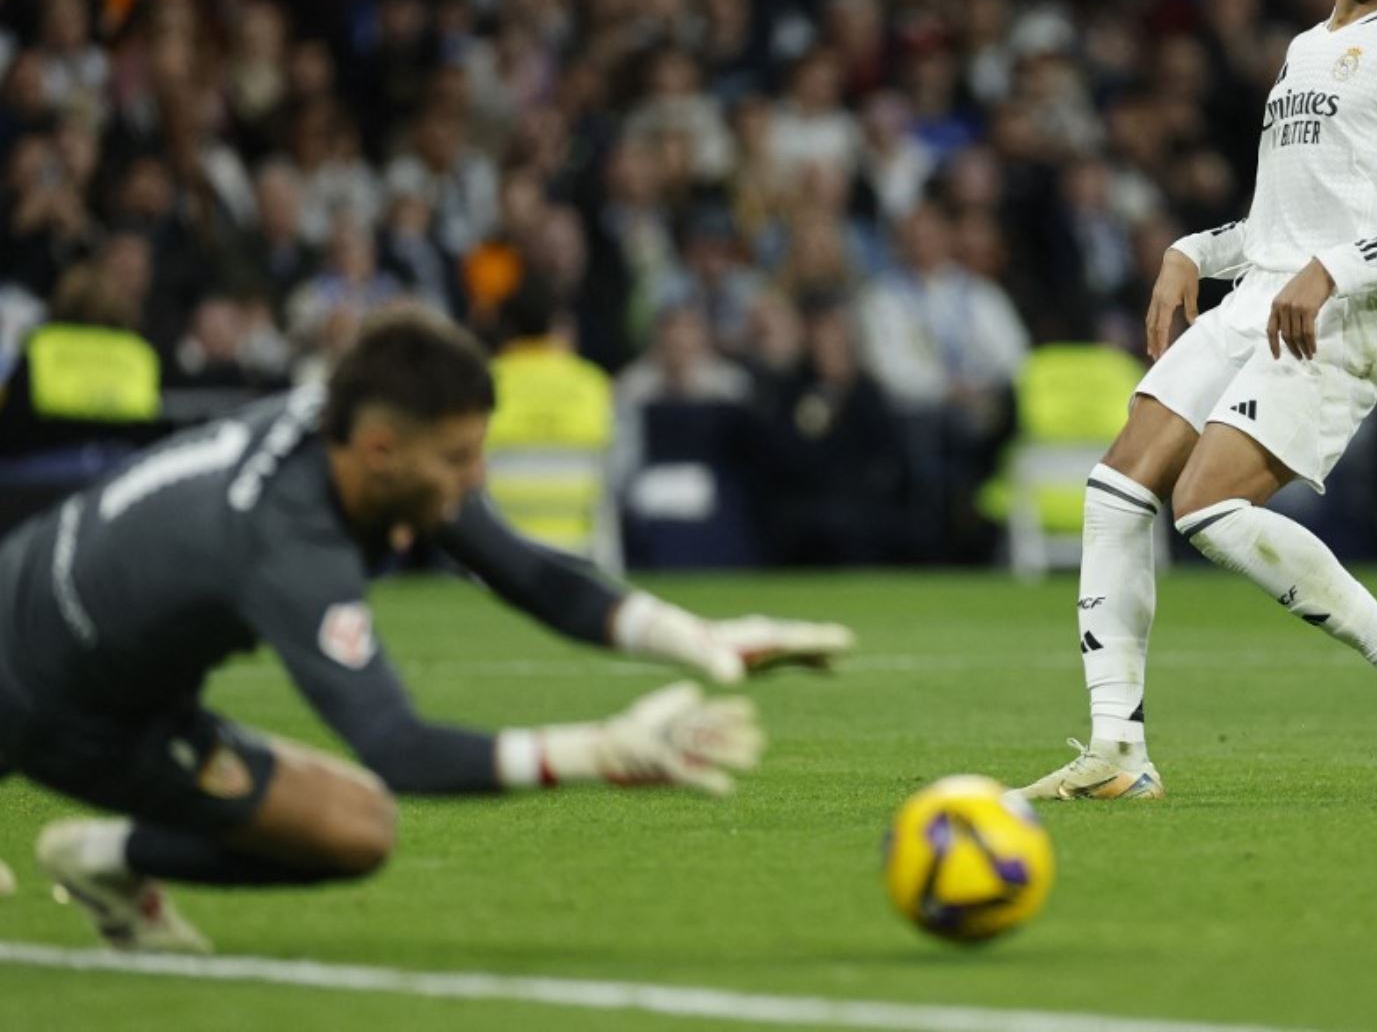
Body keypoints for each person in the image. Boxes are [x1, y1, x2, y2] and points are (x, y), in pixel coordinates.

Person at [0, 307, 852, 952]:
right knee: (357, 827)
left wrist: (694, 638)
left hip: (44, 608)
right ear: (380, 450)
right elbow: (395, 745)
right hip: (60, 705)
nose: (473, 479)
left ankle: (106, 858)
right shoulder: (286, 539)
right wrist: (599, 750)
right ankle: (105, 850)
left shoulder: (340, 428)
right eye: (458, 460)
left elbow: (526, 570)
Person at [1011, 0, 1377, 804]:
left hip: (1341, 317)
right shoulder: (1307, 48)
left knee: (1205, 506)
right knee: (1114, 492)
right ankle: (1118, 749)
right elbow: (1284, 226)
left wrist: (1336, 270)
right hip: (1259, 296)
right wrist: (1193, 249)